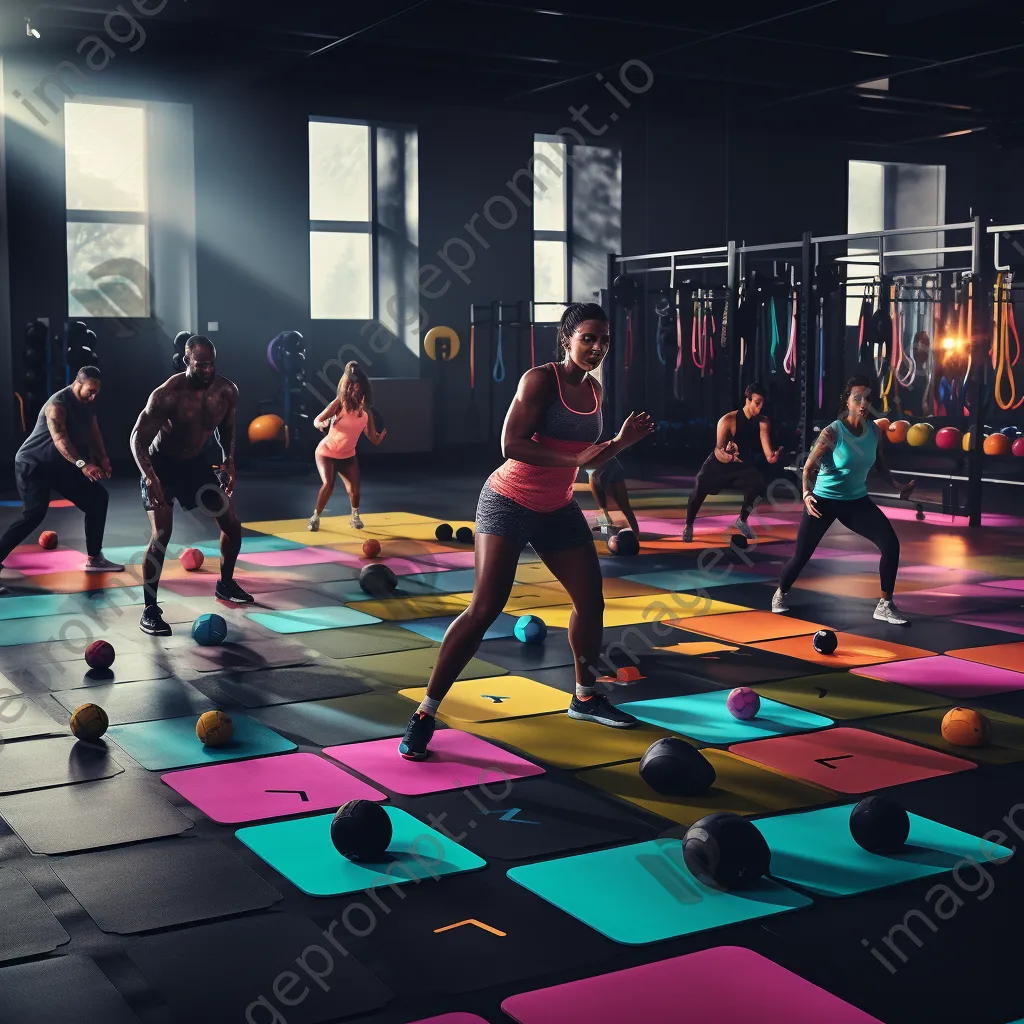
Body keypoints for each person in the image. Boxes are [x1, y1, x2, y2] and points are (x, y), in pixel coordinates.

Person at [398, 302, 655, 760]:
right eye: (588, 339)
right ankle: (424, 713)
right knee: (484, 609)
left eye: (604, 340)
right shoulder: (540, 380)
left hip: (557, 506)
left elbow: (589, 456)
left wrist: (619, 443)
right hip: (508, 500)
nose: (597, 348)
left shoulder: (595, 391)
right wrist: (575, 460)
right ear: (567, 339)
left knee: (590, 601)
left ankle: (584, 695)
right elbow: (510, 443)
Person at [130, 335, 252, 636]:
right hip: (161, 466)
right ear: (187, 361)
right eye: (201, 365)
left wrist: (228, 461)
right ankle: (149, 609)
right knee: (162, 534)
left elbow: (227, 427)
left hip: (196, 466)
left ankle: (225, 584)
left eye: (211, 364)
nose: (208, 370)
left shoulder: (226, 391)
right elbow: (138, 438)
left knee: (231, 524)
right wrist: (150, 476)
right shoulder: (168, 394)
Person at [772, 375, 916, 625]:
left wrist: (898, 486)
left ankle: (885, 605)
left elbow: (880, 465)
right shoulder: (832, 432)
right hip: (823, 501)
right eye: (857, 398)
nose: (863, 403)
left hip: (856, 502)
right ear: (847, 402)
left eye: (867, 399)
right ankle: (780, 592)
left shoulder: (874, 431)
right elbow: (807, 469)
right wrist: (806, 495)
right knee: (801, 556)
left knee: (891, 544)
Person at [0, 367, 123, 594]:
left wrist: (103, 457)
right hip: (33, 464)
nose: (93, 396)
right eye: (90, 391)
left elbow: (93, 431)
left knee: (98, 498)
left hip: (59, 465)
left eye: (97, 392)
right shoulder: (57, 405)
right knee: (34, 514)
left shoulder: (88, 403)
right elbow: (60, 440)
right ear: (78, 383)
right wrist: (83, 465)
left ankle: (94, 558)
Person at [683, 381, 782, 543]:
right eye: (757, 403)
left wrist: (773, 457)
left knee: (758, 483)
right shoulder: (727, 420)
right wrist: (727, 456)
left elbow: (768, 454)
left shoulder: (763, 422)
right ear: (748, 400)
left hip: (740, 465)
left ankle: (742, 520)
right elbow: (718, 450)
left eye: (762, 404)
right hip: (718, 463)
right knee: (699, 485)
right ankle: (688, 525)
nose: (760, 408)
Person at [308, 361, 386, 532]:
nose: (357, 390)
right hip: (326, 453)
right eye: (353, 386)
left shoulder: (366, 412)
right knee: (328, 484)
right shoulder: (339, 403)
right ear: (349, 386)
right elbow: (316, 420)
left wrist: (379, 439)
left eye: (360, 387)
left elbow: (372, 438)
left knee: (355, 490)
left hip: (347, 456)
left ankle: (355, 516)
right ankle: (315, 517)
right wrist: (323, 424)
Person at [587, 458, 640, 535]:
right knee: (602, 506)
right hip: (593, 471)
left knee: (624, 505)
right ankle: (606, 529)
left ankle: (636, 533)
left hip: (609, 469)